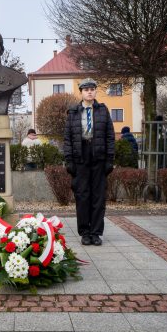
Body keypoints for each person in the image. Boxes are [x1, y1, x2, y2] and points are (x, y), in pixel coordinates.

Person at [64, 78, 115, 246]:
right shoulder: (73, 112)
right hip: (81, 156)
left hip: (98, 156)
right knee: (82, 196)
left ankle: (96, 232)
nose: (89, 92)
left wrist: (109, 159)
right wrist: (69, 160)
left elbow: (110, 136)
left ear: (95, 91)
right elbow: (68, 139)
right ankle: (85, 232)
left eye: (92, 89)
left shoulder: (102, 110)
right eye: (86, 89)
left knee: (98, 197)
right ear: (81, 93)